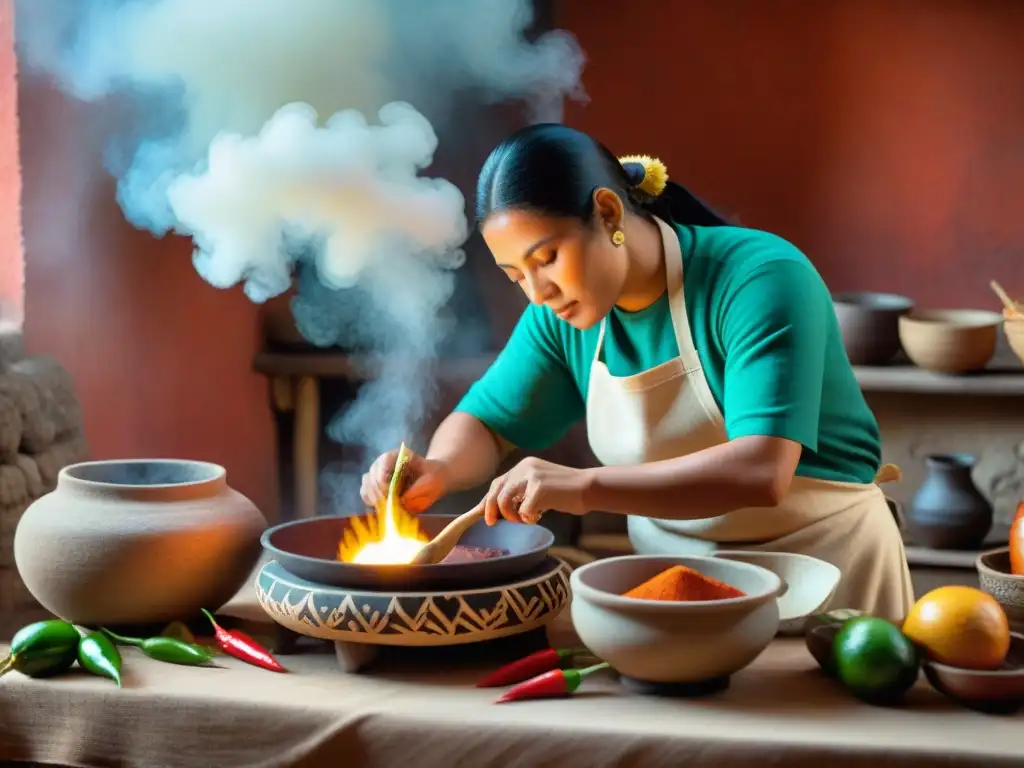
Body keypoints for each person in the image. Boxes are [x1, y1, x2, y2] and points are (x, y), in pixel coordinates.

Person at [361, 123, 914, 621]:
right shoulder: (560, 318)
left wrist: (582, 487)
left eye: (547, 257)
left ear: (607, 213)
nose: (537, 292)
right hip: (674, 593)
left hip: (827, 579)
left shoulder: (759, 279)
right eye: (515, 275)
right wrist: (439, 469)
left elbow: (761, 470)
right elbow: (486, 422)